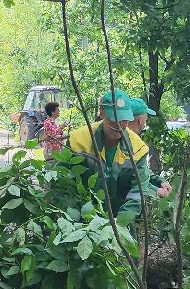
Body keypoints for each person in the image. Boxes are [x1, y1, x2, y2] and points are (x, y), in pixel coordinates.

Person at [66, 89, 169, 219]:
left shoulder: (138, 148)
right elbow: (64, 185)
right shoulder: (78, 140)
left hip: (121, 220)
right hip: (82, 219)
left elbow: (138, 191)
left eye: (124, 120)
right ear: (102, 113)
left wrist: (119, 226)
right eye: (114, 119)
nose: (119, 126)